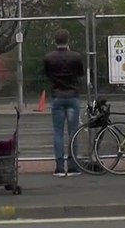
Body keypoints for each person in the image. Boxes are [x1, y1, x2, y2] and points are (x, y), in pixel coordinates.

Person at [43, 28, 85, 177]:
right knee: (73, 132)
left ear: (55, 40)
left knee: (58, 132)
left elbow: (47, 74)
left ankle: (60, 167)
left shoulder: (49, 57)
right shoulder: (76, 57)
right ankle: (72, 166)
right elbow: (80, 74)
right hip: (72, 95)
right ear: (68, 40)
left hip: (57, 96)